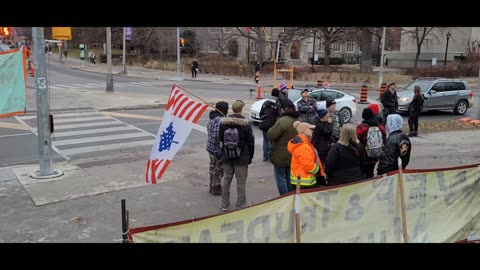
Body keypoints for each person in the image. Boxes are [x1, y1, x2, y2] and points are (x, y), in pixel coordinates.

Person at [218, 100, 255, 211]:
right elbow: (251, 143)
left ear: (232, 109)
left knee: (226, 180)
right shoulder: (245, 124)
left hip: (227, 157)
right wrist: (250, 157)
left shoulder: (224, 123)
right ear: (241, 110)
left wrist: (222, 155)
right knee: (241, 182)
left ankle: (224, 204)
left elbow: (220, 140)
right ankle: (240, 206)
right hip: (242, 158)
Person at [267, 99, 300, 195]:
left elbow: (271, 135)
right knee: (289, 176)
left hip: (280, 156)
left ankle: (284, 197)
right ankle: (290, 195)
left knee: (281, 178)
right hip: (293, 154)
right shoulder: (298, 120)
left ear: (283, 109)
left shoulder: (282, 121)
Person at [287, 121, 325, 189]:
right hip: (304, 183)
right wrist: (317, 170)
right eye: (310, 129)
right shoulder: (302, 146)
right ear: (303, 131)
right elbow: (308, 165)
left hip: (301, 180)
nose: (312, 131)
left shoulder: (303, 143)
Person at [356, 108, 387, 179]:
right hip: (375, 154)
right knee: (371, 171)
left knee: (363, 172)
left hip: (364, 154)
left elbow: (357, 139)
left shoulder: (362, 127)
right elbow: (384, 138)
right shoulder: (379, 126)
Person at [206, 101, 228, 196]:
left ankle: (211, 185)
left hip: (210, 147)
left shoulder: (212, 117)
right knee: (218, 169)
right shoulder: (218, 120)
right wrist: (220, 149)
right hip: (216, 150)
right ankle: (216, 187)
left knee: (212, 167)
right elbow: (217, 137)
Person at [258, 88, 282, 162]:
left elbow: (260, 114)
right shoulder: (277, 104)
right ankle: (270, 157)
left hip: (264, 124)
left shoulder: (265, 103)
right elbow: (280, 115)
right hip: (272, 125)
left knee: (265, 141)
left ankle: (265, 157)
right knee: (272, 141)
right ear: (278, 95)